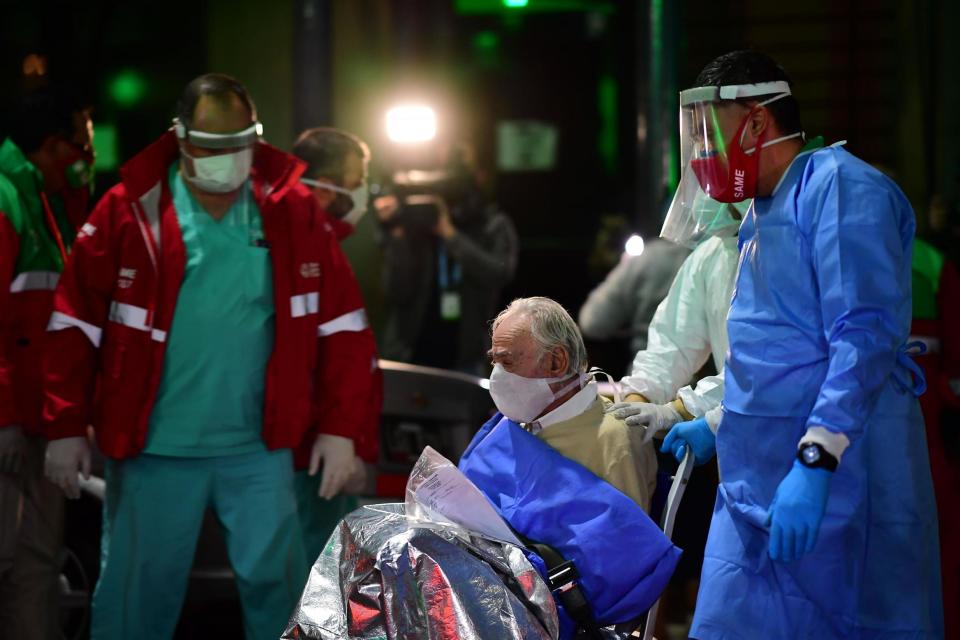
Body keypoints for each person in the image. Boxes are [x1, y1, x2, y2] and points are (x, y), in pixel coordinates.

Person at [41, 73, 378, 640]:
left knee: (284, 599)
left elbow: (343, 327)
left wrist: (342, 429)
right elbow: (73, 322)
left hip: (257, 451)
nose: (225, 160)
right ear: (180, 138)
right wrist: (64, 424)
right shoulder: (130, 210)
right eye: (211, 148)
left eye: (237, 147)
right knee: (135, 600)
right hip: (153, 449)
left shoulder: (291, 209)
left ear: (257, 139)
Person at [660, 51, 942, 637]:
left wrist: (815, 462)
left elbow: (862, 341)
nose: (704, 148)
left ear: (758, 122)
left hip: (839, 480)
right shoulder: (759, 215)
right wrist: (718, 423)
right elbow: (777, 357)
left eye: (714, 127)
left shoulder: (841, 190)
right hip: (753, 485)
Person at [0, 86, 93, 640]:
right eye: (82, 149)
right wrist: (4, 416)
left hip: (40, 421)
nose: (88, 161)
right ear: (54, 146)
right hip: (13, 423)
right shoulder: (8, 197)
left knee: (35, 564)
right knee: (10, 562)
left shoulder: (41, 199)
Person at [291, 126, 382, 562]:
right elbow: (331, 353)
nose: (363, 192)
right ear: (326, 187)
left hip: (318, 444)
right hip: (309, 452)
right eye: (357, 180)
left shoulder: (323, 245)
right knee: (315, 575)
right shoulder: (301, 246)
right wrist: (339, 432)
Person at [485, 297, 656, 510]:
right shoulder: (520, 424)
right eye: (495, 361)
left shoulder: (614, 440)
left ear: (557, 361)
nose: (496, 375)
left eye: (507, 362)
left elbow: (624, 538)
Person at [375, 142, 518, 375]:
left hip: (465, 355)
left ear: (480, 176)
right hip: (411, 353)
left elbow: (499, 273)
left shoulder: (492, 223)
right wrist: (397, 235)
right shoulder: (413, 221)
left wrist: (449, 234)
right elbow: (395, 291)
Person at [577, 237, 689, 354]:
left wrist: (624, 272)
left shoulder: (652, 257)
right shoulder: (706, 261)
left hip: (648, 366)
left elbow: (593, 322)